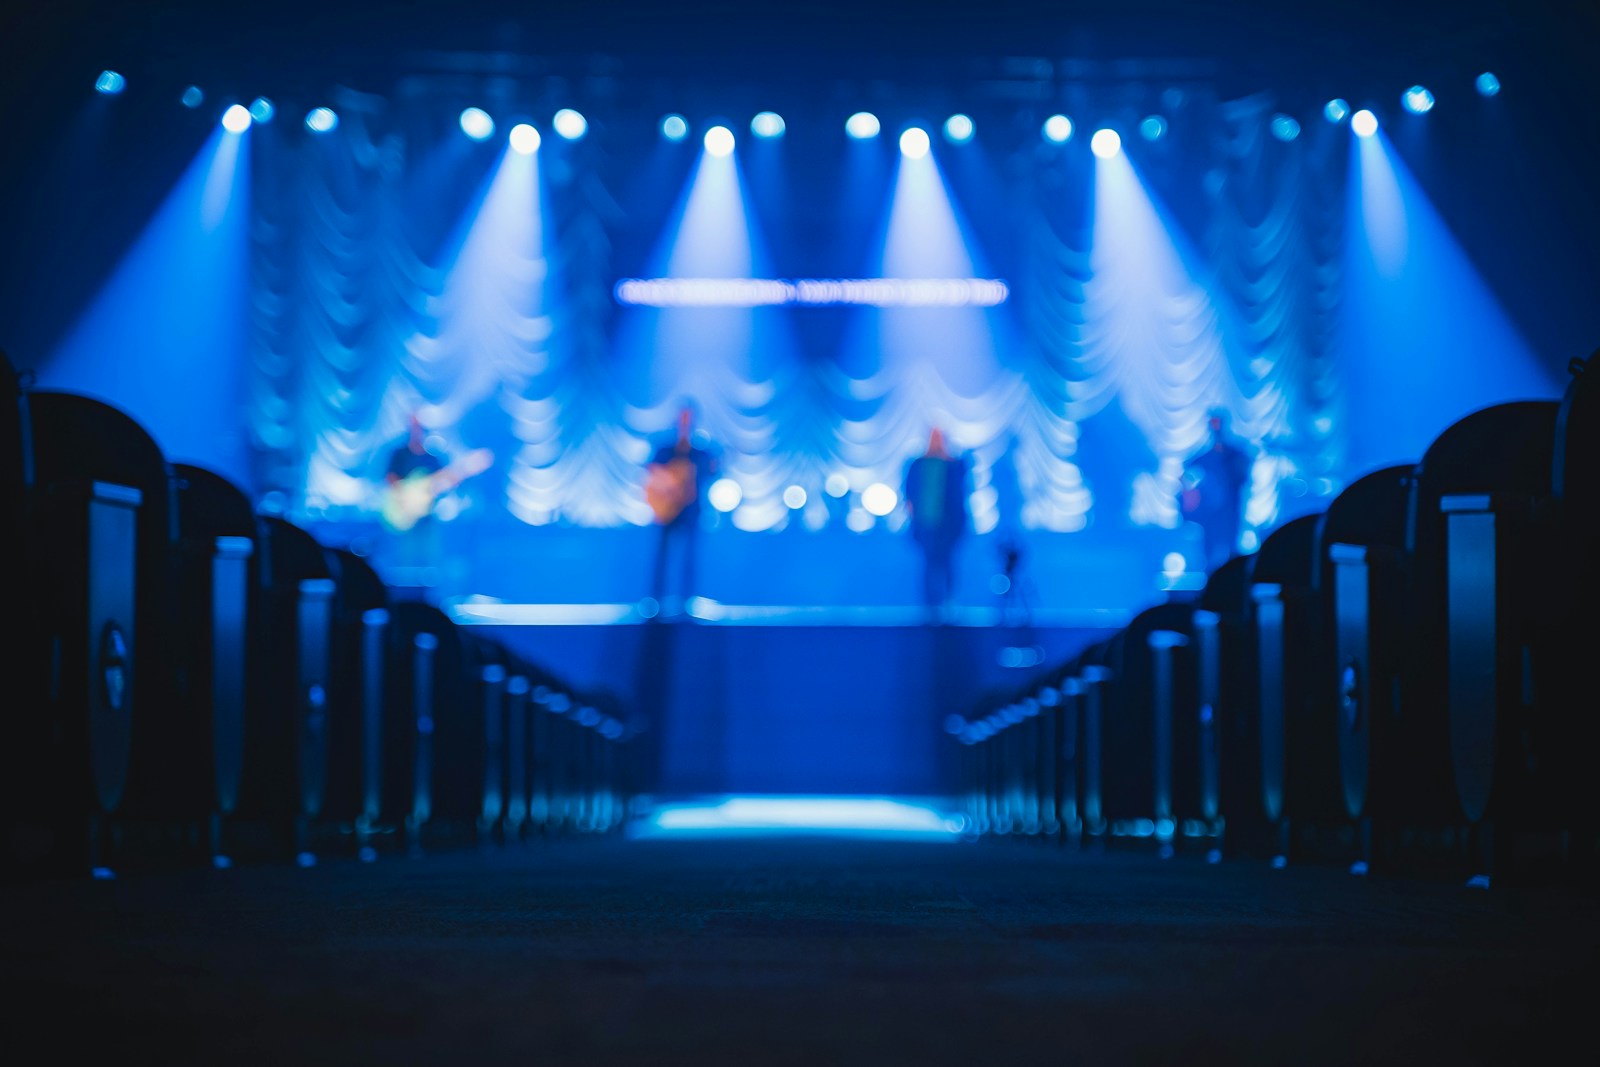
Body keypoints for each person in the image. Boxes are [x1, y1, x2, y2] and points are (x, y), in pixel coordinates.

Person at [644, 401, 718, 617]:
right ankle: (656, 601)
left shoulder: (701, 451)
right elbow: (651, 472)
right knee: (662, 555)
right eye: (682, 417)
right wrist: (669, 487)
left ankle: (687, 602)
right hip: (667, 511)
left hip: (691, 510)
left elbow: (712, 473)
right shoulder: (665, 448)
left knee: (690, 556)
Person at [902, 426, 971, 621]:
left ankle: (949, 603)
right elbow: (908, 492)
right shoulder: (917, 464)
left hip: (949, 526)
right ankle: (929, 606)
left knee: (948, 563)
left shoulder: (954, 465)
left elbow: (962, 492)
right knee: (928, 565)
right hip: (926, 524)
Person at [1180, 408, 1252, 572]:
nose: (1215, 427)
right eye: (1212, 423)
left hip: (1230, 513)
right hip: (1211, 516)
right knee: (1209, 554)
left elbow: (1244, 478)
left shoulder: (1235, 455)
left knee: (1232, 552)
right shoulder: (1205, 457)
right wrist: (1195, 498)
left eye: (1217, 423)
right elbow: (1186, 475)